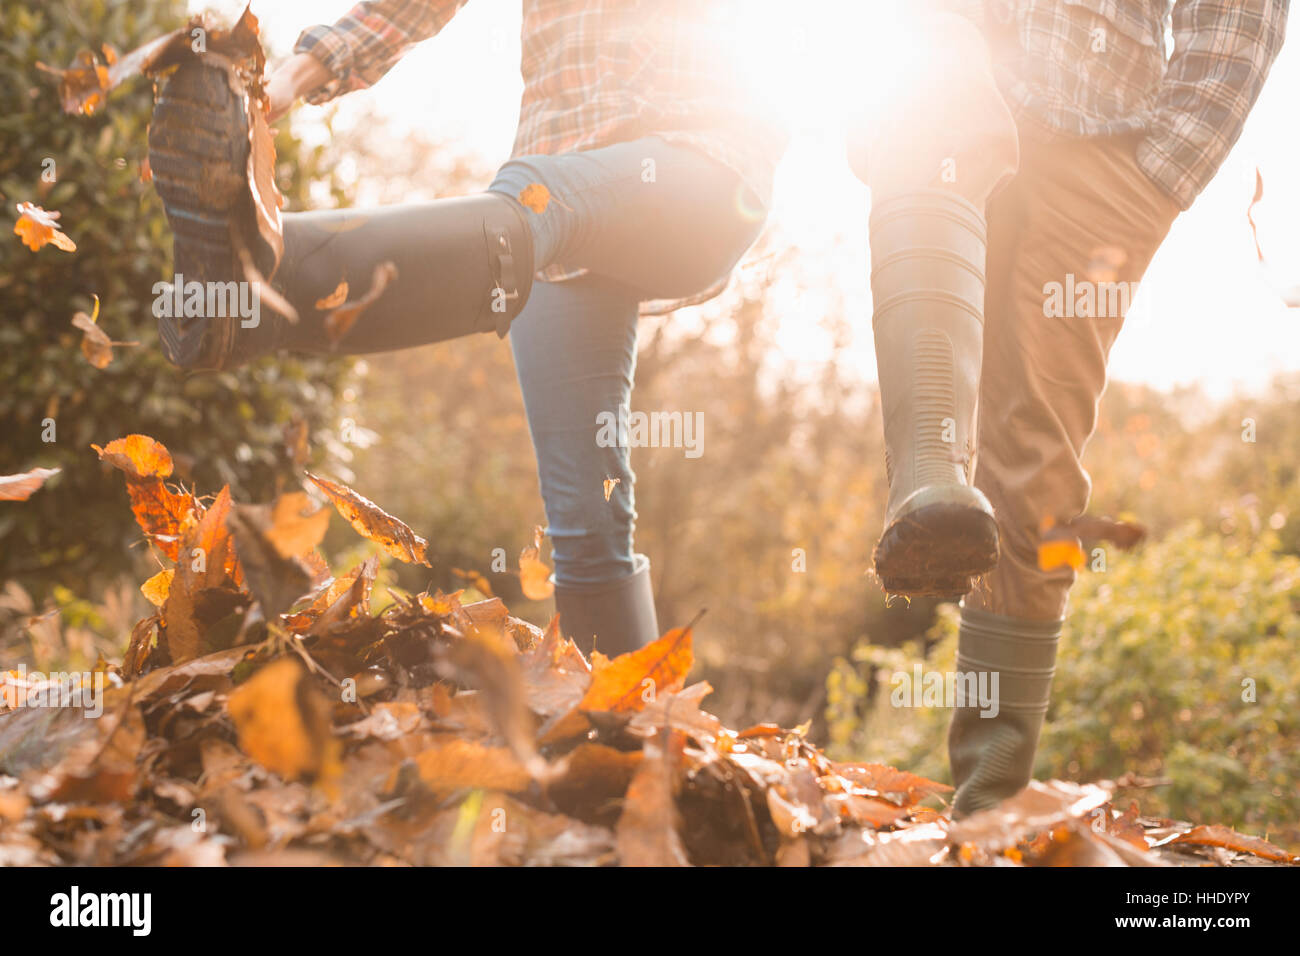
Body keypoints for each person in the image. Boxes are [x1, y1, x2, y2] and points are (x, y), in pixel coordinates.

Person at [148, 1, 786, 658]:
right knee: (586, 528)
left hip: (698, 169)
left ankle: (259, 281)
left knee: (534, 196)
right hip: (548, 228)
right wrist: (284, 82)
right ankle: (626, 732)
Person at [847, 0, 1288, 815]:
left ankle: (985, 808)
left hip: (1101, 132)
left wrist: (1161, 170)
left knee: (1040, 472)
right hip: (938, 51)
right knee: (937, 77)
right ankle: (928, 473)